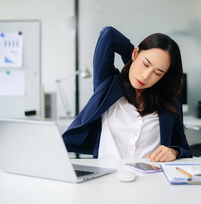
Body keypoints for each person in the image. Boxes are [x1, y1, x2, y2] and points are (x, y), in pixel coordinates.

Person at [63, 26, 192, 162]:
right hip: (106, 178)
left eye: (157, 73)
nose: (145, 76)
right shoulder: (108, 85)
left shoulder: (170, 106)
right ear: (135, 53)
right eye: (145, 64)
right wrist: (131, 59)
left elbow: (185, 151)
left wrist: (174, 152)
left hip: (151, 180)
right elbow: (108, 35)